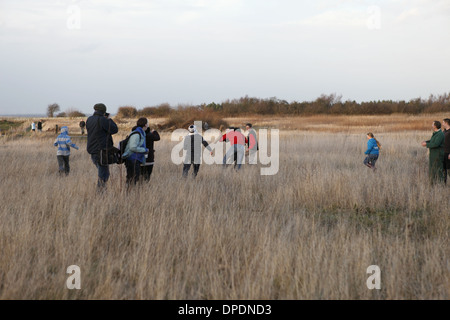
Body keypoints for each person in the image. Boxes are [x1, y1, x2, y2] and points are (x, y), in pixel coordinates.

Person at [86, 103, 119, 189]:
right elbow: (114, 129)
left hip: (92, 150)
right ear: (104, 111)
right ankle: (100, 194)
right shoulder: (102, 120)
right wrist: (109, 119)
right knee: (104, 175)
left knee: (103, 172)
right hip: (101, 150)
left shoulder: (89, 119)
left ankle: (101, 192)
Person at [122, 118, 149, 186]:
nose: (148, 125)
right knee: (132, 178)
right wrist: (144, 150)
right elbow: (132, 147)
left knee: (133, 178)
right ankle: (128, 193)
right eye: (147, 123)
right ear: (145, 125)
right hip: (132, 159)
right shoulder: (137, 134)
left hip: (135, 159)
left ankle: (129, 193)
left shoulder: (141, 133)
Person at [441, 118, 450, 184]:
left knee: (449, 170)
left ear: (446, 123)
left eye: (443, 122)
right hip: (443, 153)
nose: (442, 124)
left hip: (448, 153)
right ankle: (444, 184)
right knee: (443, 169)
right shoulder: (444, 131)